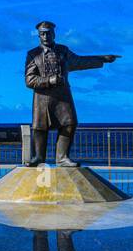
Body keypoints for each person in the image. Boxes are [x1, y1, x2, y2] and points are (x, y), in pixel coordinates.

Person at [24, 21, 118, 167]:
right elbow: (29, 80)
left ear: (54, 34)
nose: (45, 36)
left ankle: (62, 158)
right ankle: (38, 157)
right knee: (40, 128)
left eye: (48, 33)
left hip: (63, 96)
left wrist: (102, 59)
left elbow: (79, 61)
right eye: (42, 33)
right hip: (42, 98)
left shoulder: (63, 51)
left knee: (69, 123)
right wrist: (50, 80)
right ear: (38, 35)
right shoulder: (33, 54)